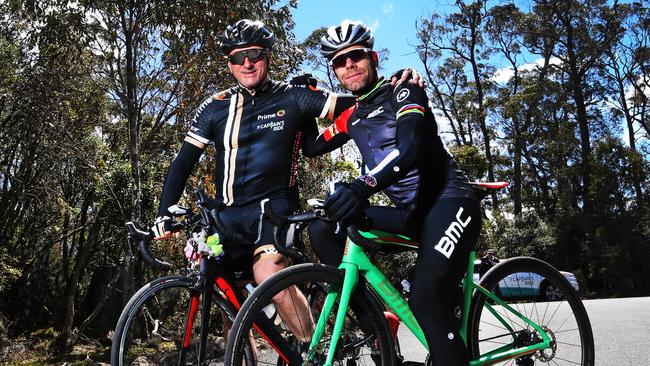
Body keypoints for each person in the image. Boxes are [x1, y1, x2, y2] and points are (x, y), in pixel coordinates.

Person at [150, 19, 420, 341]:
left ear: (267, 56)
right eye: (238, 58)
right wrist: (165, 212)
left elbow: (361, 98)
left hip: (274, 208)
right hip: (228, 214)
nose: (247, 63)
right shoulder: (215, 107)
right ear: (230, 64)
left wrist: (399, 84)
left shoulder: (295, 97)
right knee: (223, 294)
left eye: (254, 55)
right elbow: (182, 163)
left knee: (267, 274)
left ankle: (313, 350)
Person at [306, 20, 482, 365]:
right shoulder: (350, 117)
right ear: (334, 71)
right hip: (411, 214)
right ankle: (373, 322)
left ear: (372, 57)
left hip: (450, 202)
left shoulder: (403, 91)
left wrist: (363, 185)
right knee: (323, 226)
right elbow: (312, 147)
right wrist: (303, 99)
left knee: (426, 300)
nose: (349, 65)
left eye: (355, 56)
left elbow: (411, 147)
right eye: (339, 62)